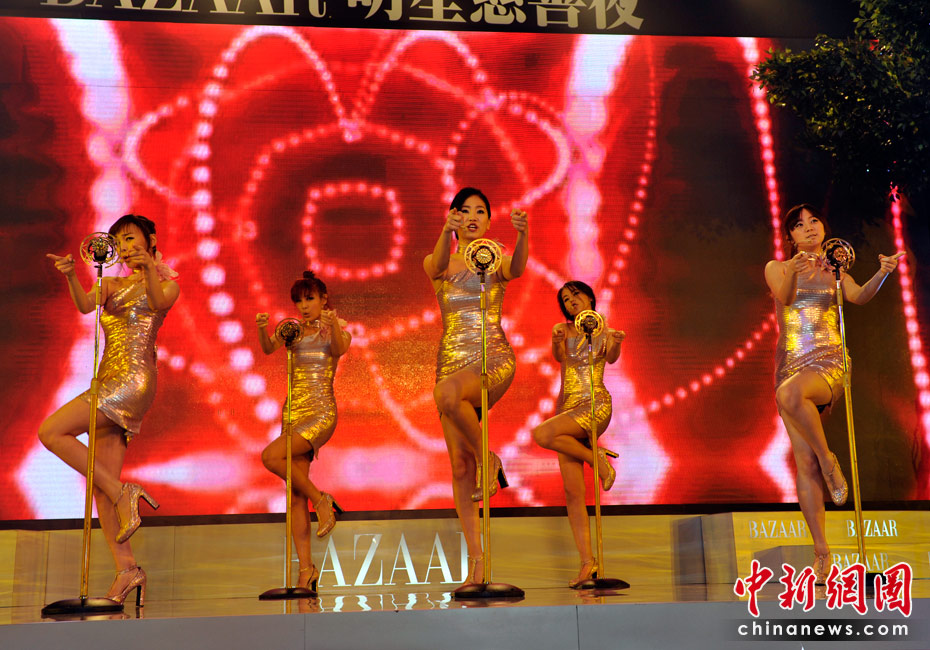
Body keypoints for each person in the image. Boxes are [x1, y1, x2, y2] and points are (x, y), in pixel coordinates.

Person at [40, 214, 180, 606]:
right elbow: (86, 306)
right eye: (120, 241)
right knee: (100, 488)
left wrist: (149, 268)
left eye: (132, 238)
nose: (126, 246)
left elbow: (158, 303)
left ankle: (124, 492)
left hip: (132, 380)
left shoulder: (166, 284)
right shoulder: (111, 284)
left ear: (151, 241)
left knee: (51, 431)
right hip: (107, 377)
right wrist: (72, 275)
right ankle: (128, 569)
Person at [764, 203, 904, 583]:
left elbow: (858, 296)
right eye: (799, 225)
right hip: (790, 364)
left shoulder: (834, 270)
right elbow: (786, 299)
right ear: (790, 236)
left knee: (790, 397)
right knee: (803, 461)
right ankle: (822, 552)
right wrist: (795, 271)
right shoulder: (778, 268)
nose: (809, 228)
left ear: (823, 227)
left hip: (829, 361)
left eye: (814, 221)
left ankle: (829, 461)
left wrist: (882, 272)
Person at [424, 187, 528, 585]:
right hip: (451, 362)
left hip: (492, 358)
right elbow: (435, 267)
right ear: (453, 217)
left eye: (480, 211)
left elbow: (516, 269)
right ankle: (477, 565)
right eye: (464, 210)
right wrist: (442, 231)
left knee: (446, 395)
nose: (472, 216)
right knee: (459, 466)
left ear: (488, 220)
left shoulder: (494, 257)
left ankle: (490, 459)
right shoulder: (440, 262)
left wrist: (522, 235)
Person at [257, 270, 350, 592]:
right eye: (299, 301)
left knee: (270, 457)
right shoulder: (292, 330)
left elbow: (339, 349)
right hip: (292, 413)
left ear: (324, 299)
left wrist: (332, 324)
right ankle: (306, 571)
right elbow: (268, 348)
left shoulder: (335, 329)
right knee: (294, 498)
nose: (304, 306)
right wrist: (261, 329)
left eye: (309, 299)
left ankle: (321, 499)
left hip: (320, 412)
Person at [532, 281, 625, 587]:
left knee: (542, 434)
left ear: (589, 297)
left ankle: (596, 460)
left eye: (575, 295)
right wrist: (556, 340)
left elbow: (611, 358)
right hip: (567, 408)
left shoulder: (604, 329)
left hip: (595, 404)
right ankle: (587, 563)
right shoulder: (563, 329)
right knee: (573, 492)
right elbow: (559, 356)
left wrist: (616, 342)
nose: (571, 301)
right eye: (565, 299)